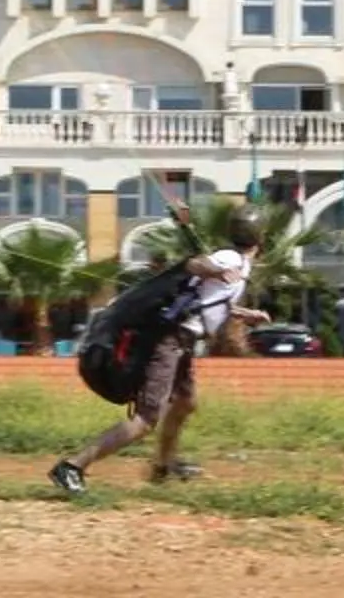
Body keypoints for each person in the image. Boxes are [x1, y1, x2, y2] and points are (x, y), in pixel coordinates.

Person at [49, 208, 270, 496]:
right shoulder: (230, 259)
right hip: (171, 340)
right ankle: (71, 466)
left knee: (185, 402)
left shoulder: (239, 264)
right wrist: (215, 269)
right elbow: (194, 265)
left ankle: (163, 466)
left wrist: (245, 313)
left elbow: (211, 301)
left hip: (184, 342)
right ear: (260, 239)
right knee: (146, 419)